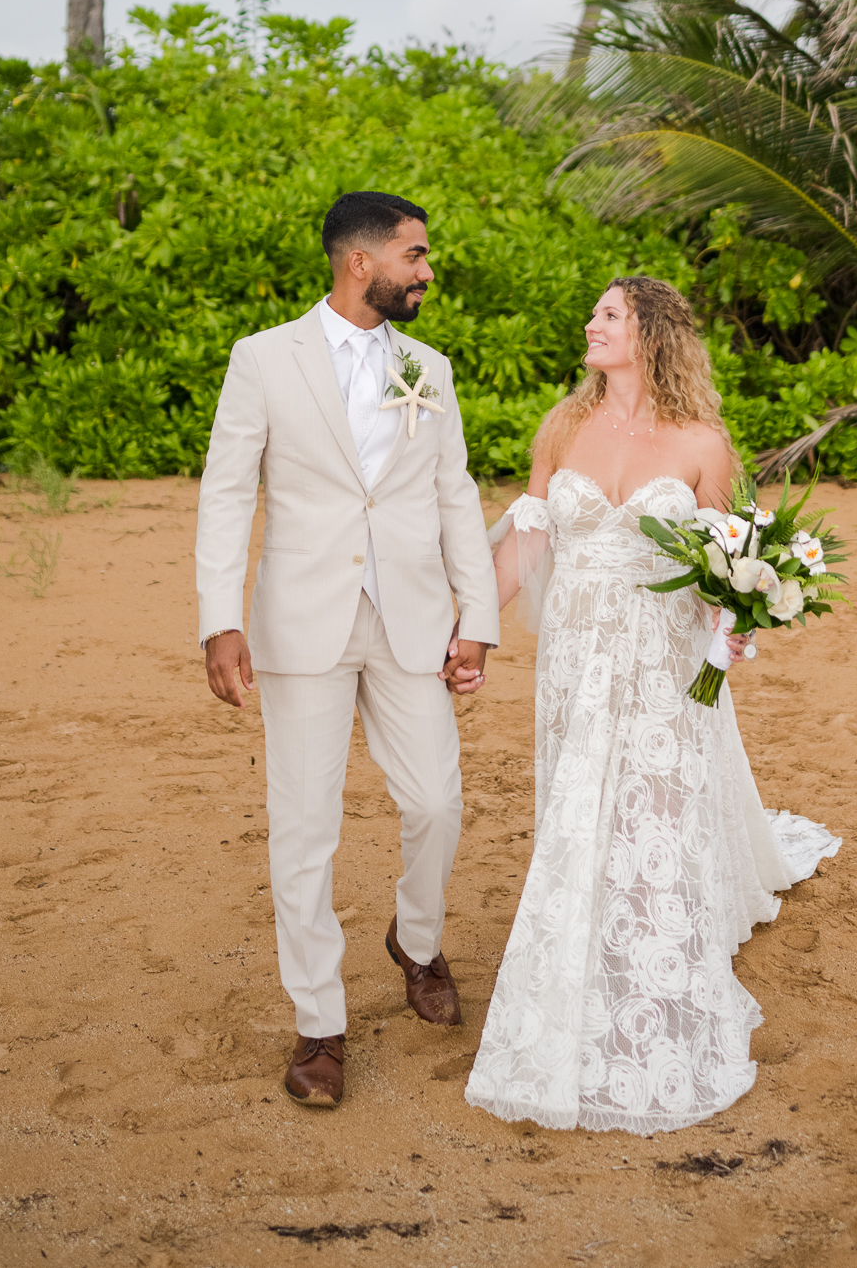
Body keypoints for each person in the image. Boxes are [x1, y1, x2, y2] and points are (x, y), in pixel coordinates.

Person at [464, 275, 839, 1136]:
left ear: (653, 334)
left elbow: (726, 559)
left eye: (609, 314)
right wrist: (469, 631)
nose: (591, 324)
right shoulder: (562, 428)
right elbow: (530, 539)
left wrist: (738, 621)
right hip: (575, 649)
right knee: (579, 794)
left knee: (655, 805)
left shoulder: (704, 444)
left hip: (664, 653)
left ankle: (656, 949)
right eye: (594, 313)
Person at [195, 190, 500, 1111]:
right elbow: (225, 494)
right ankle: (319, 1024)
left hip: (409, 616)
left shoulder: (430, 369)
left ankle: (414, 940)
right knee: (304, 829)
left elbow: (455, 494)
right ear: (361, 263)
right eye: (417, 255)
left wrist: (475, 614)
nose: (428, 271)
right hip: (301, 622)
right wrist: (220, 619)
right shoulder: (262, 360)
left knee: (437, 801)